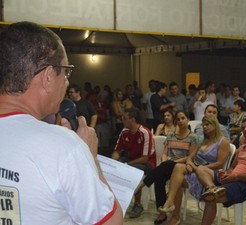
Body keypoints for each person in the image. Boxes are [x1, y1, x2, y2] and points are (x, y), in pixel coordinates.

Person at [0, 21, 122, 224]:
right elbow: (111, 222)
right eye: (66, 72)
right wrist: (90, 158)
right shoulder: (62, 146)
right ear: (48, 76)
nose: (67, 82)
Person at [197, 117, 246, 225]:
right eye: (243, 128)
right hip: (233, 179)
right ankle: (212, 188)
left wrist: (236, 177)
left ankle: (213, 192)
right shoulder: (242, 147)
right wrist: (227, 173)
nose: (245, 130)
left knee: (210, 198)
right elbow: (232, 167)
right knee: (201, 169)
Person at [158, 115, 230, 225]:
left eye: (208, 124)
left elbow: (220, 164)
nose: (205, 127)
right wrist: (190, 164)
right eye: (204, 125)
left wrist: (199, 168)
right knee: (178, 169)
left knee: (177, 178)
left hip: (210, 175)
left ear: (215, 125)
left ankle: (173, 210)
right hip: (196, 170)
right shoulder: (203, 141)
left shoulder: (223, 141)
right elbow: (190, 157)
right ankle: (171, 205)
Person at [134, 111, 197, 224]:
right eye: (178, 119)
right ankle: (162, 211)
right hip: (167, 166)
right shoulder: (171, 135)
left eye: (183, 118)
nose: (181, 121)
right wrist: (164, 161)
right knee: (160, 176)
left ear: (188, 119)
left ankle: (143, 184)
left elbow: (190, 158)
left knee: (165, 168)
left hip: (182, 167)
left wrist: (171, 162)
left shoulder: (193, 137)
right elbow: (164, 153)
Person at [111, 107, 156, 218]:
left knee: (134, 171)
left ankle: (137, 204)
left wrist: (126, 165)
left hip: (148, 163)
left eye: (125, 118)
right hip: (131, 160)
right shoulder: (124, 132)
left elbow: (145, 158)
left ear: (133, 119)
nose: (122, 120)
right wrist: (112, 163)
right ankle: (116, 201)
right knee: (114, 169)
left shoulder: (145, 132)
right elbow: (117, 151)